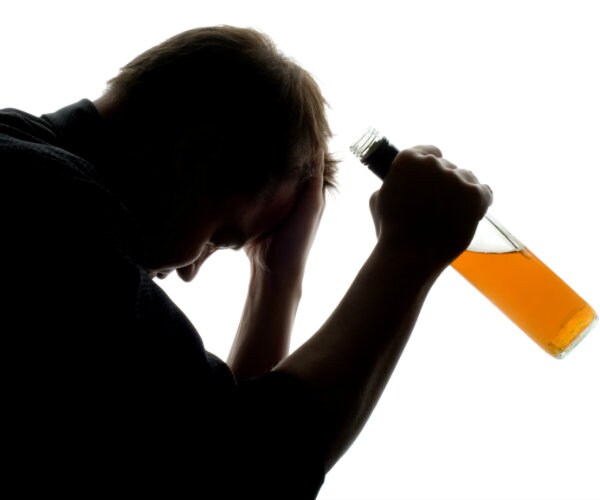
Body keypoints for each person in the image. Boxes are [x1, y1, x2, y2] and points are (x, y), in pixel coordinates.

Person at [1, 26, 492, 498]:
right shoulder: (47, 207)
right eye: (219, 237)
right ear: (197, 154)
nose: (188, 271)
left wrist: (276, 277)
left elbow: (193, 450)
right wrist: (407, 254)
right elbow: (240, 473)